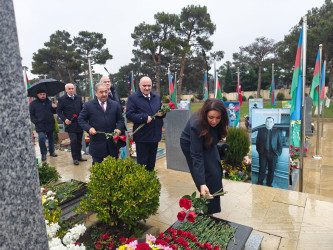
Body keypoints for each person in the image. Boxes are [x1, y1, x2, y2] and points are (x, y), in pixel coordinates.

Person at [180, 98, 229, 215]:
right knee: (207, 174)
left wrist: (220, 135)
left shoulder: (218, 119)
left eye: (218, 118)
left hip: (206, 137)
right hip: (190, 143)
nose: (214, 121)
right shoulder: (195, 125)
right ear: (205, 114)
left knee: (215, 170)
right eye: (211, 118)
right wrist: (202, 183)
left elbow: (218, 127)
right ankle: (208, 208)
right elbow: (197, 156)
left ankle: (211, 201)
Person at [78, 82, 125, 165]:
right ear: (96, 93)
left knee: (114, 167)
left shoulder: (114, 105)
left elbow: (121, 119)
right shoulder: (88, 105)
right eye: (101, 92)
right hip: (97, 143)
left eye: (106, 92)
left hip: (112, 143)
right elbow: (81, 119)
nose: (104, 94)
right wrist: (89, 128)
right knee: (97, 167)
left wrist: (118, 128)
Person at [126, 76, 165, 171]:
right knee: (142, 164)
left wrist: (163, 113)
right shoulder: (133, 98)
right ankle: (143, 183)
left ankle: (151, 182)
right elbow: (129, 115)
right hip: (142, 137)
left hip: (155, 135)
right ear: (139, 85)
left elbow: (161, 110)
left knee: (151, 163)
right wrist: (143, 118)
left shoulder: (156, 97)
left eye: (149, 85)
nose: (147, 88)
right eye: (144, 86)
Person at [57, 83, 87, 165]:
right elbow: (59, 111)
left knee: (79, 141)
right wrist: (64, 119)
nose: (71, 90)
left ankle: (79, 156)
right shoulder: (62, 99)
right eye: (69, 89)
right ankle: (75, 158)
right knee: (73, 141)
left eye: (72, 88)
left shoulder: (78, 98)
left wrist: (83, 117)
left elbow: (82, 109)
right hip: (70, 124)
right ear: (66, 90)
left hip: (79, 123)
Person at [29, 89, 58, 161]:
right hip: (40, 125)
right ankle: (44, 154)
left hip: (50, 123)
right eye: (41, 94)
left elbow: (55, 112)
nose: (42, 96)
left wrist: (55, 107)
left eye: (44, 94)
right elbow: (31, 115)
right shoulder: (33, 104)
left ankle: (52, 152)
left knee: (51, 139)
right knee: (41, 138)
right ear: (37, 95)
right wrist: (36, 121)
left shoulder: (49, 102)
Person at [255, 117, 282, 187]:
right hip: (263, 154)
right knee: (262, 169)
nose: (269, 123)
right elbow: (257, 142)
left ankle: (269, 183)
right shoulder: (261, 131)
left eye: (270, 121)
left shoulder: (277, 132)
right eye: (267, 121)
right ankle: (260, 182)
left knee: (271, 170)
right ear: (265, 122)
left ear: (273, 123)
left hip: (273, 154)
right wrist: (259, 151)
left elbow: (280, 143)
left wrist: (278, 153)